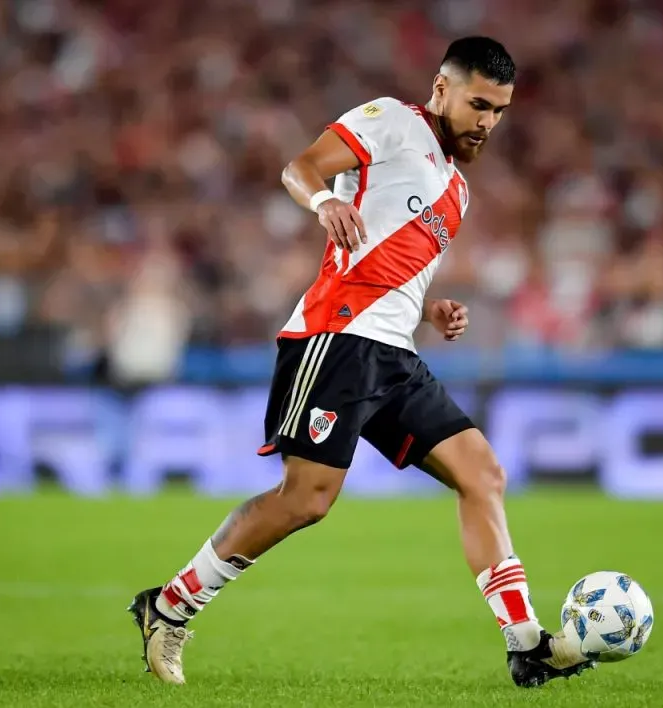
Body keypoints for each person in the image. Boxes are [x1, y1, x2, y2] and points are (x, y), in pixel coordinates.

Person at [128, 36, 593, 689]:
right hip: (335, 337)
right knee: (306, 501)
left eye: (499, 111)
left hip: (394, 351)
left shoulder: (455, 192)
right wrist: (325, 201)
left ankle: (525, 644)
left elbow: (394, 267)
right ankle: (168, 606)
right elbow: (300, 167)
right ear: (441, 90)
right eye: (478, 104)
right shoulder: (392, 122)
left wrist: (428, 311)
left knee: (482, 472)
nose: (487, 123)